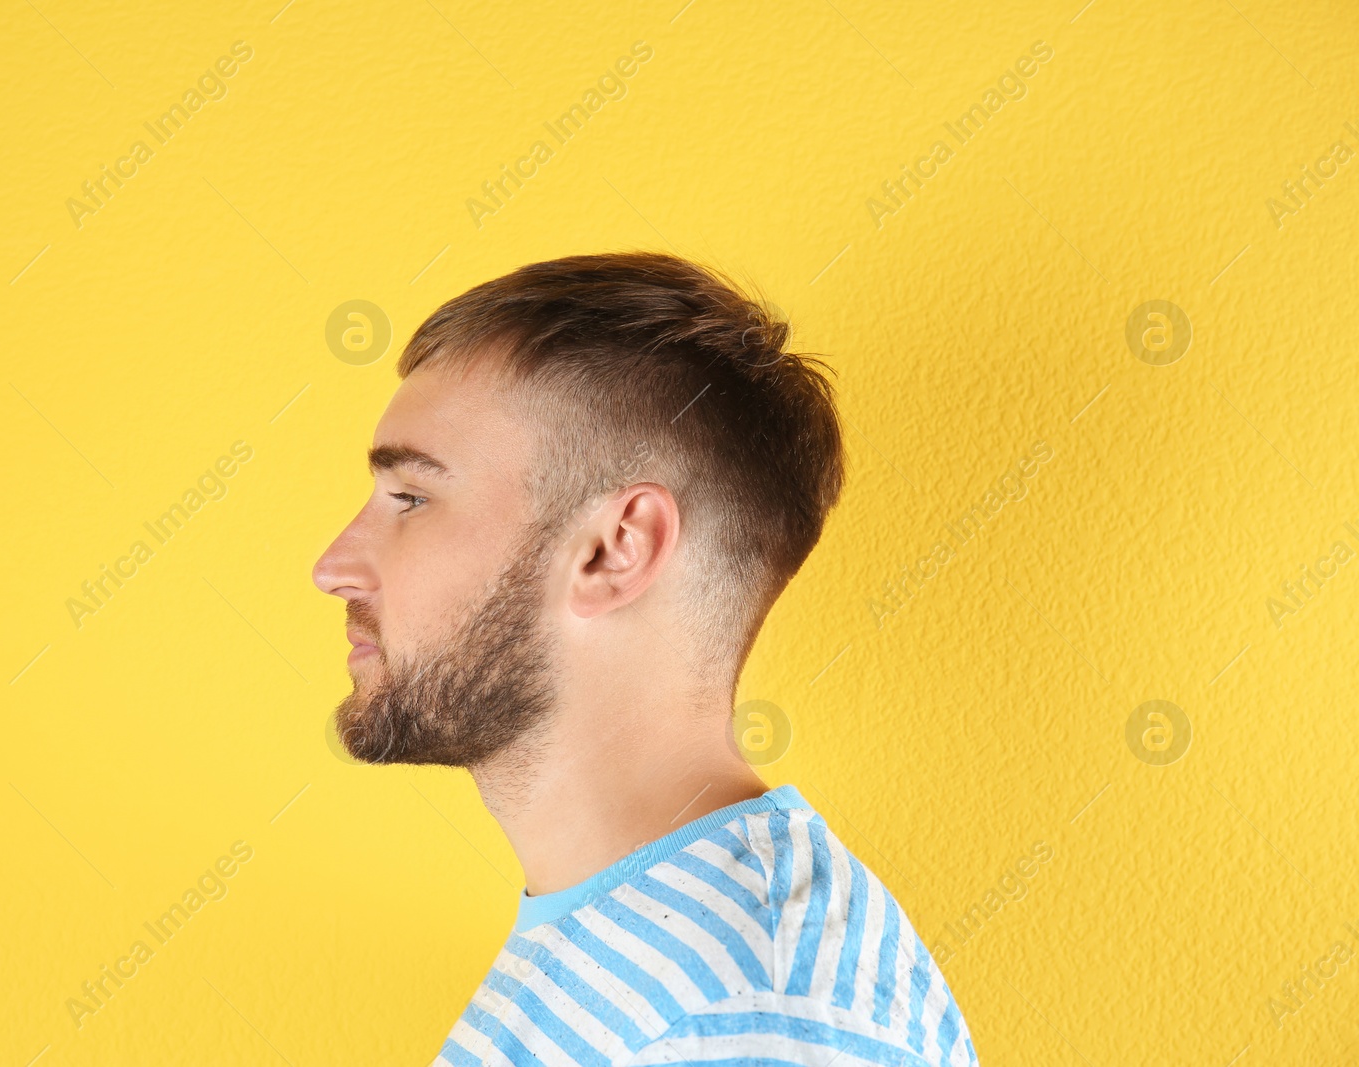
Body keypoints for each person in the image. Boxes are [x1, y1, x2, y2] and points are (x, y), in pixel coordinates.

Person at [312, 252, 978, 1066]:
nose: (333, 566)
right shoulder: (653, 960)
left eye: (412, 497)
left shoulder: (752, 1014)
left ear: (613, 550)